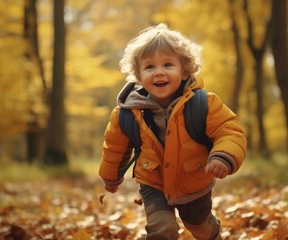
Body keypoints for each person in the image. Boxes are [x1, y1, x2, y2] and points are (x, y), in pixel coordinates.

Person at [99, 23, 247, 240]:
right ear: (139, 75)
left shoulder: (204, 103)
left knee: (199, 228)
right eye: (149, 67)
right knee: (162, 229)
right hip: (153, 181)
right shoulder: (127, 112)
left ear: (184, 69)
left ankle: (211, 231)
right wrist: (110, 178)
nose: (159, 72)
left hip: (193, 180)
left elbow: (230, 131)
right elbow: (114, 147)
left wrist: (223, 156)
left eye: (168, 65)